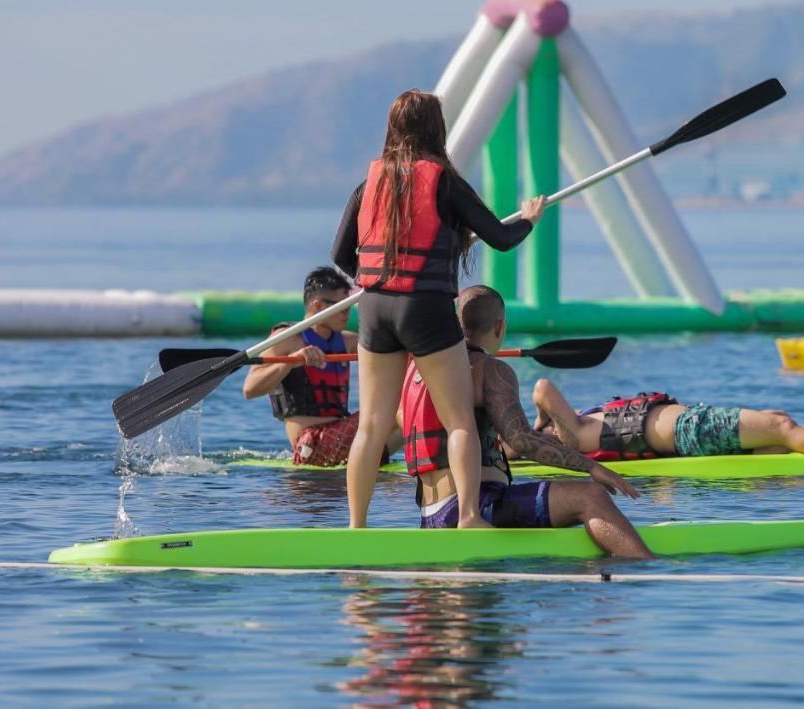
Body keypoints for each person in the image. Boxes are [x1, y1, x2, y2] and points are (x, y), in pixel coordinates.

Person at [332, 89, 545, 529]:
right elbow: (501, 239)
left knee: (371, 426)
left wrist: (375, 278)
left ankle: (355, 526)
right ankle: (467, 515)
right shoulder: (443, 181)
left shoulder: (366, 184)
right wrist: (529, 217)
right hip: (426, 310)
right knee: (459, 419)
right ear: (437, 129)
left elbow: (340, 255)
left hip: (374, 309)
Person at [402, 285, 653, 558]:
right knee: (591, 496)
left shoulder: (420, 370)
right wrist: (592, 467)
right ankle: (648, 569)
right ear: (499, 326)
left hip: (430, 514)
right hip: (477, 505)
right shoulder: (492, 370)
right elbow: (520, 440)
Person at [242, 267, 400, 466]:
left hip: (339, 438)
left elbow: (395, 351)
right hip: (311, 444)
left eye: (349, 308)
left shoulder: (348, 342)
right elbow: (249, 389)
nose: (346, 315)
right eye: (342, 308)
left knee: (419, 405)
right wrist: (291, 362)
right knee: (397, 409)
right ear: (318, 305)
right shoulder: (288, 340)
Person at [528, 383, 804, 464]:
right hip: (691, 429)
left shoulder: (577, 429)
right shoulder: (574, 434)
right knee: (783, 426)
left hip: (692, 427)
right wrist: (540, 422)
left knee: (775, 427)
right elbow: (542, 388)